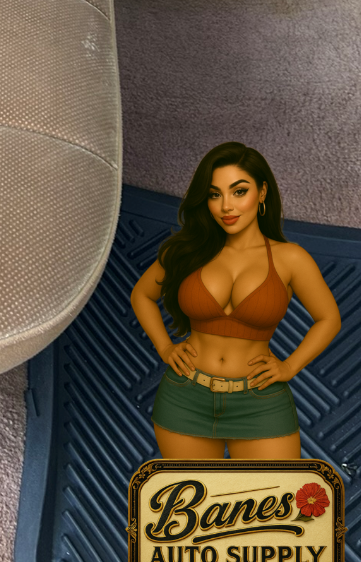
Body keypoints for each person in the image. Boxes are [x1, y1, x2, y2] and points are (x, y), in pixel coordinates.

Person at [130, 142, 341, 458]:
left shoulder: (291, 258)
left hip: (260, 401)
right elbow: (142, 295)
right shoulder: (186, 250)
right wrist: (165, 347)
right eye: (215, 194)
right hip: (185, 397)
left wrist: (289, 367)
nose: (226, 206)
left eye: (239, 191)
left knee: (273, 491)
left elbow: (329, 319)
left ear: (262, 192)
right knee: (196, 493)